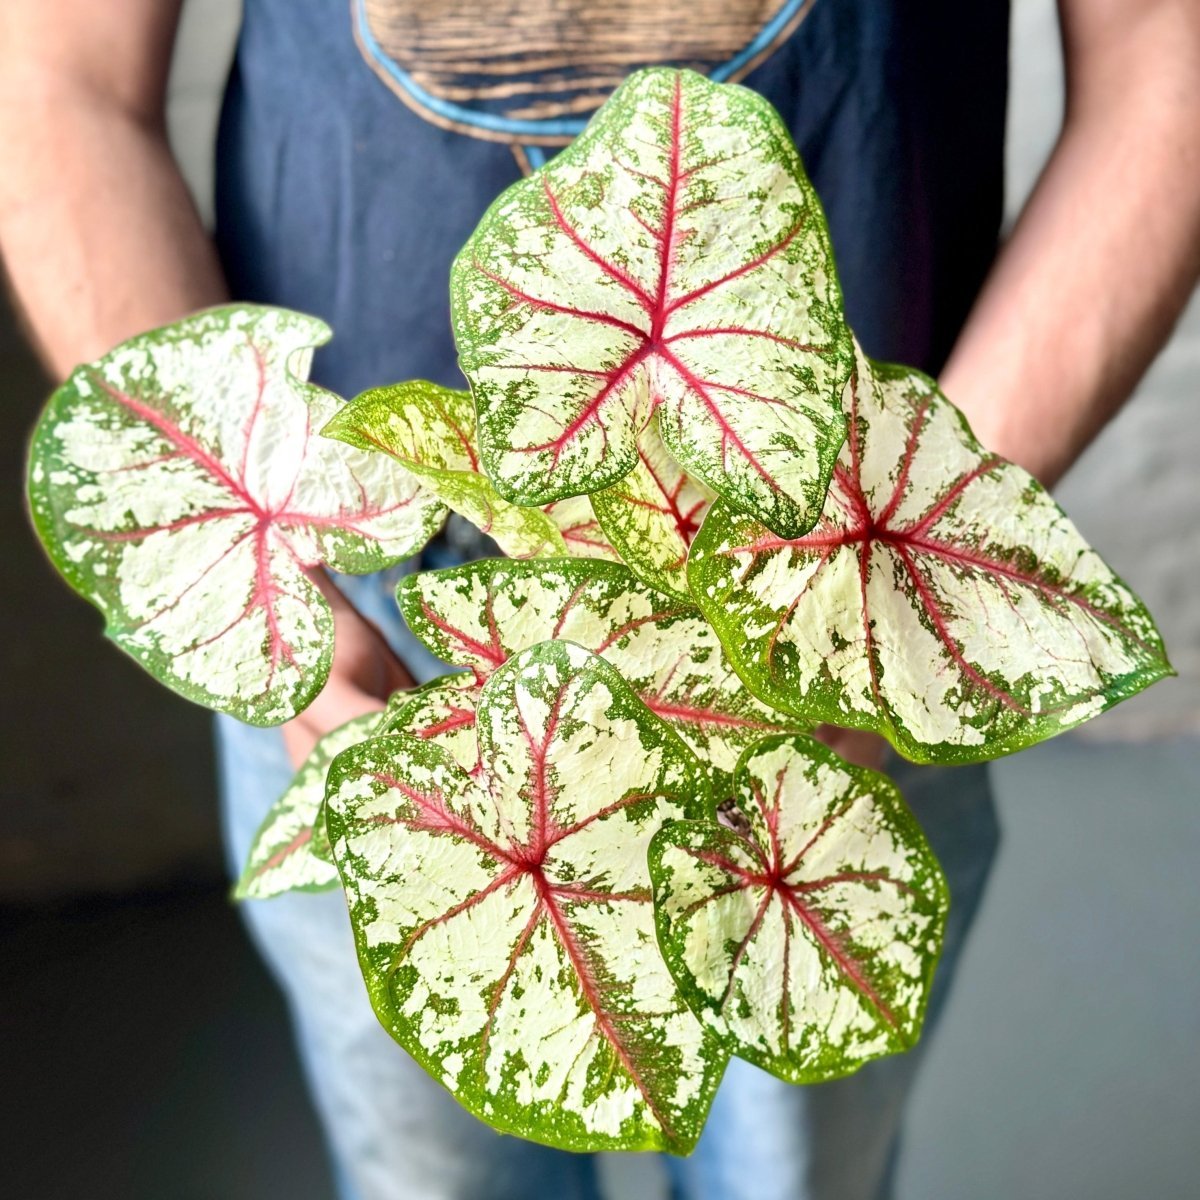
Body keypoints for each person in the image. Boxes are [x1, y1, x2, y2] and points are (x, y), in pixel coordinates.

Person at [2, 2, 1198, 1198]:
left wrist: (876, 583)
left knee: (795, 1173)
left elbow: (1166, 59)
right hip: (358, 609)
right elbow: (57, 76)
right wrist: (279, 588)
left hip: (835, 590)